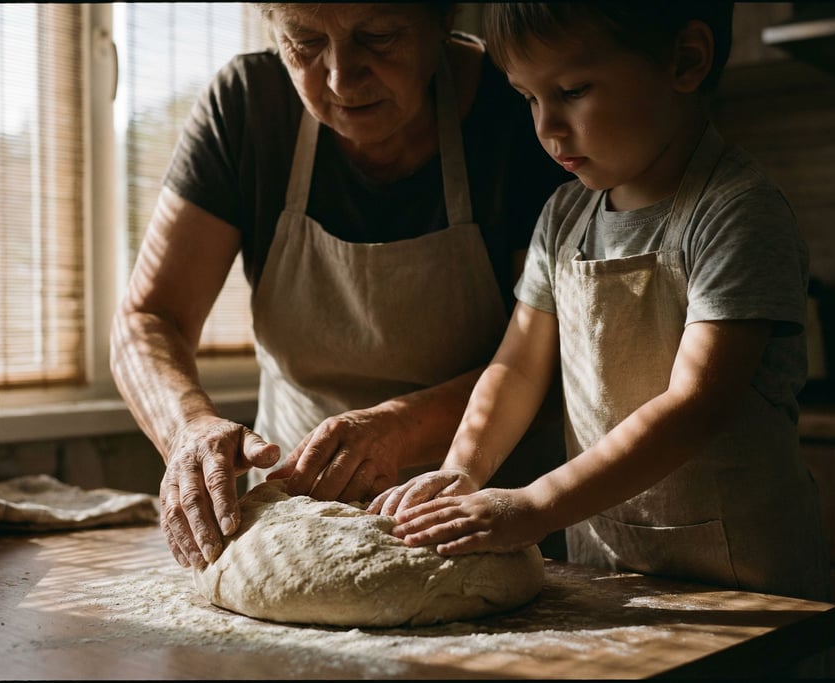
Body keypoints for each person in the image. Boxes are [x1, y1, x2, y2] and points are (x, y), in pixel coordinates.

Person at [370, 1, 830, 609]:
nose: (547, 127)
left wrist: (534, 504)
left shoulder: (736, 212)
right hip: (609, 567)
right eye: (530, 99)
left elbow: (694, 405)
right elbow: (517, 369)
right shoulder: (564, 218)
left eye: (572, 90)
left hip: (743, 580)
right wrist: (462, 470)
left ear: (685, 61)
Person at [110, 3, 570, 571]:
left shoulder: (526, 108)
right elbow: (150, 317)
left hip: (487, 523)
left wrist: (401, 427)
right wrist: (187, 426)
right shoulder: (250, 105)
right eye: (304, 40)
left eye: (378, 37)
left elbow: (557, 363)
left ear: (443, 16)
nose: (340, 77)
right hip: (294, 532)